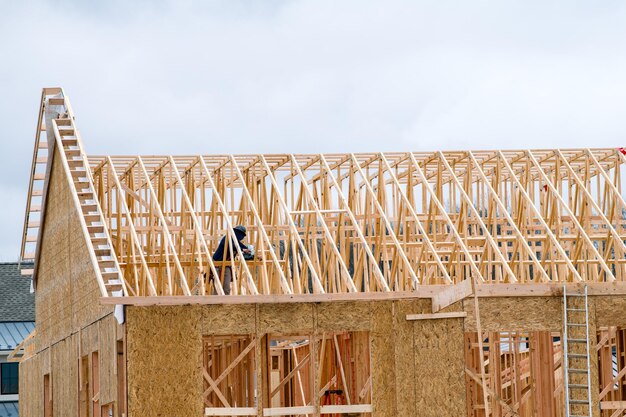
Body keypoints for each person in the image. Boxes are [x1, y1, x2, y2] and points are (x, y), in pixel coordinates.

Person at [212, 225, 250, 295]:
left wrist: (255, 255)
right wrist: (242, 249)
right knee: (217, 286)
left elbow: (246, 249)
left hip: (227, 265)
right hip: (217, 264)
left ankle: (226, 303)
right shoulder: (227, 238)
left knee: (226, 287)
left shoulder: (237, 242)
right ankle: (215, 303)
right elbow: (231, 246)